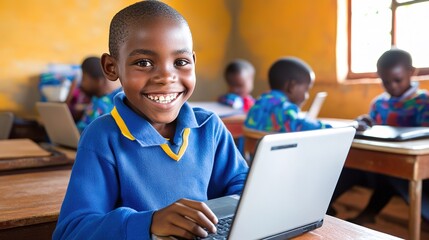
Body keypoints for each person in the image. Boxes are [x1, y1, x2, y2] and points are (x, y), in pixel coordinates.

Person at [52, 1, 248, 240]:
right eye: (144, 63)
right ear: (112, 67)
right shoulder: (102, 138)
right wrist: (148, 223)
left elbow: (240, 182)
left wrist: (246, 201)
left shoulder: (209, 127)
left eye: (181, 62)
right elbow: (71, 232)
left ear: (193, 62)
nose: (167, 77)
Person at [332, 48, 429, 224]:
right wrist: (363, 122)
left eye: (397, 80)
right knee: (348, 164)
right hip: (378, 163)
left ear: (412, 72)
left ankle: (369, 214)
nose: (392, 86)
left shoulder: (424, 102)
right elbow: (374, 126)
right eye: (386, 81)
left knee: (394, 171)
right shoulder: (378, 103)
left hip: (405, 164)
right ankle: (325, 205)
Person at [244, 57, 331, 132]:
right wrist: (330, 128)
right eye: (306, 90)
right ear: (291, 86)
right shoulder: (285, 109)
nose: (307, 96)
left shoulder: (258, 103)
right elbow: (304, 126)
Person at [75, 56, 122, 132]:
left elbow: (80, 132)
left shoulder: (98, 105)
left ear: (98, 80)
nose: (82, 84)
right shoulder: (120, 96)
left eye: (84, 78)